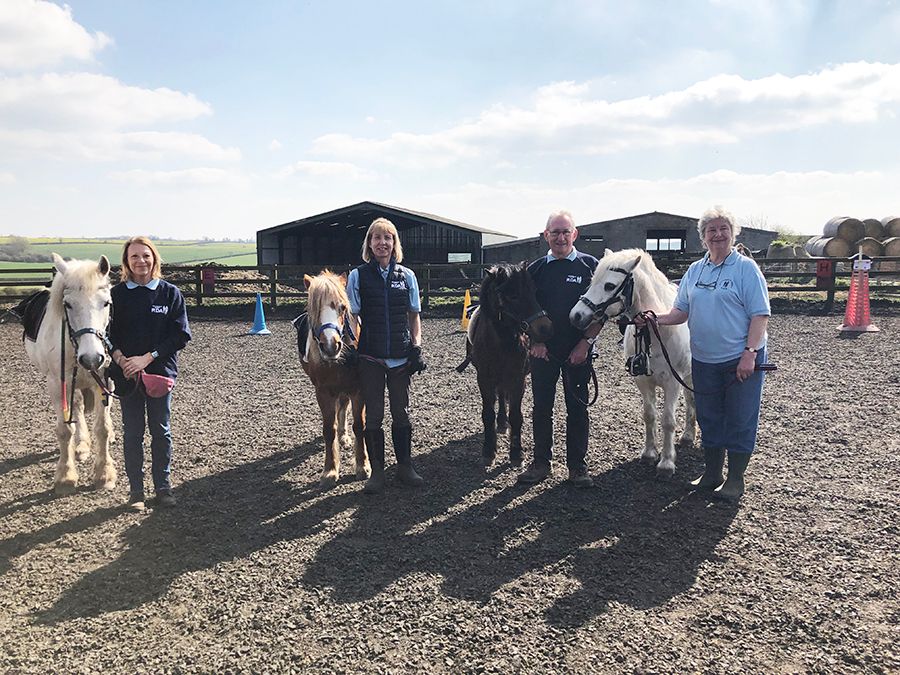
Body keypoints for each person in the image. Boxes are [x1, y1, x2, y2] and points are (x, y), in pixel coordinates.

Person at [637, 206, 770, 501]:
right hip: (705, 358)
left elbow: (760, 315)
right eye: (712, 230)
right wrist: (653, 319)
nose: (718, 234)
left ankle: (735, 480)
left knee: (739, 417)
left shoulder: (745, 269)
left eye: (724, 229)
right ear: (703, 237)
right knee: (709, 417)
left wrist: (750, 353)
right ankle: (712, 474)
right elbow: (680, 312)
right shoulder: (695, 271)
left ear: (733, 234)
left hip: (739, 357)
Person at [517, 210, 601, 488]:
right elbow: (523, 311)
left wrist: (585, 343)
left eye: (566, 231)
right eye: (555, 232)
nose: (561, 237)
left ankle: (577, 467)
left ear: (575, 234)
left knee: (577, 409)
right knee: (542, 407)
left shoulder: (591, 267)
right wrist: (535, 342)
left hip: (577, 352)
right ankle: (542, 462)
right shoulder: (536, 270)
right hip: (544, 353)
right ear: (546, 236)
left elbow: (601, 313)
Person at [109, 236, 191, 510]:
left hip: (159, 373)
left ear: (154, 258)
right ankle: (136, 492)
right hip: (126, 375)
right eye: (134, 257)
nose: (141, 261)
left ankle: (163, 487)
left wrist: (147, 358)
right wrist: (120, 358)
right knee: (132, 432)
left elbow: (180, 335)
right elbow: (106, 333)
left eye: (146, 255)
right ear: (126, 262)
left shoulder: (170, 293)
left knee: (161, 430)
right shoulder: (116, 296)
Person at [347, 217, 426, 494]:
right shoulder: (357, 276)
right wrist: (354, 346)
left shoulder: (407, 276)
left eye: (388, 237)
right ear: (369, 243)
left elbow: (413, 315)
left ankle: (405, 466)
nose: (382, 243)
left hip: (400, 358)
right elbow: (353, 316)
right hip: (370, 357)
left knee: (401, 413)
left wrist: (416, 345)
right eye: (377, 237)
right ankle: (377, 472)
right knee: (375, 416)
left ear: (395, 244)